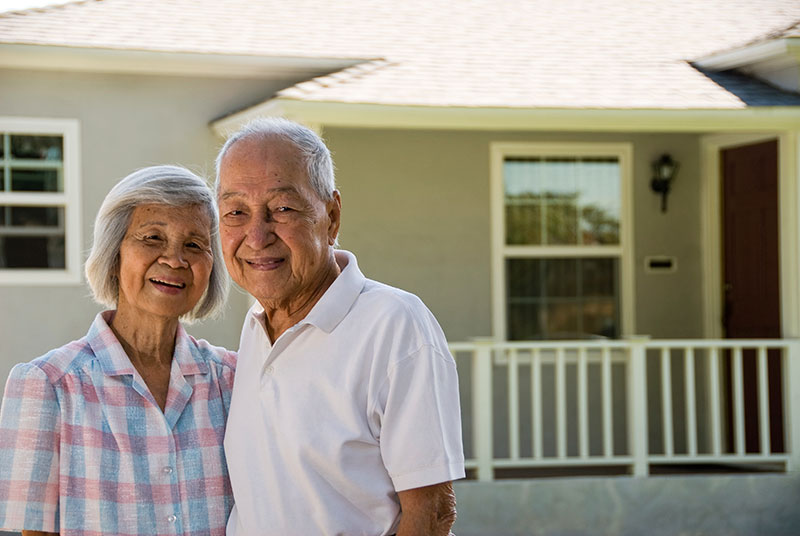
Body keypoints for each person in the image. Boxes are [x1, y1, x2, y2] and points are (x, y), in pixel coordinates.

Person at [217, 118, 465, 536]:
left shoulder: (395, 325)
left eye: (282, 209)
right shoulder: (257, 327)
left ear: (331, 216)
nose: (256, 236)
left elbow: (432, 516)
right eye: (235, 212)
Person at [0, 166, 236, 536]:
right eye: (152, 237)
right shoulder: (47, 386)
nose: (174, 259)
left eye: (193, 244)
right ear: (114, 254)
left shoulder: (236, 383)